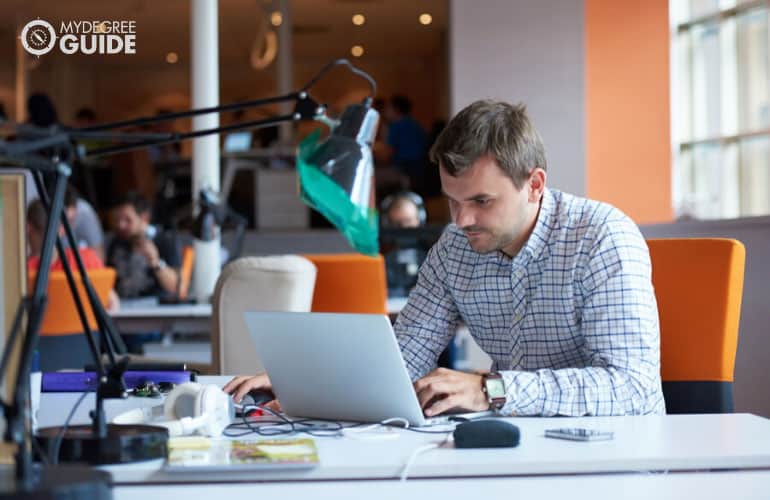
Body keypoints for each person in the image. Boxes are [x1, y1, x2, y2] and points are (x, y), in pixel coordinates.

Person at [224, 100, 665, 419]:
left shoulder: (602, 237)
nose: (462, 219)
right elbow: (403, 358)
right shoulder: (455, 248)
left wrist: (491, 388)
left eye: (481, 201)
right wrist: (306, 384)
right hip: (518, 448)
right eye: (452, 201)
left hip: (616, 454)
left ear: (534, 185)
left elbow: (630, 387)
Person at [26, 199, 119, 311]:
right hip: (86, 327)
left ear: (28, 228)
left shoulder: (20, 271)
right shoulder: (86, 259)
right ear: (62, 229)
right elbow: (112, 303)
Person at [106, 191, 181, 300]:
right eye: (117, 220)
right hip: (121, 307)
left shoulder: (165, 239)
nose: (121, 225)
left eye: (128, 220)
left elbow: (175, 287)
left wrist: (155, 261)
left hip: (156, 308)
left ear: (144, 218)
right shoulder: (117, 242)